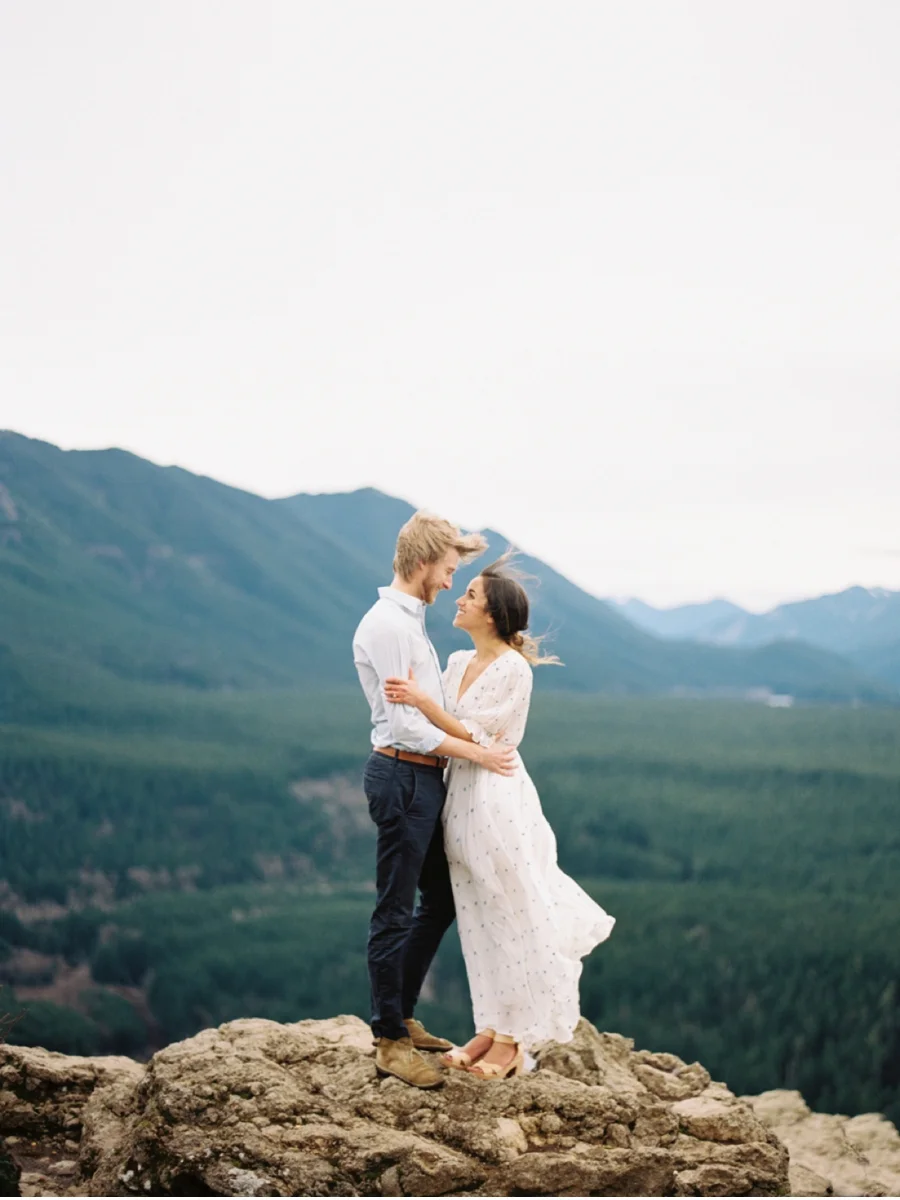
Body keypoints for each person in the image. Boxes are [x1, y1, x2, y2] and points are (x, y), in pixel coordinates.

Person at [384, 555, 615, 1080]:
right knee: (476, 914)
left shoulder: (514, 669)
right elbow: (446, 728)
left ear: (492, 616)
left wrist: (421, 699)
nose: (459, 600)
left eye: (471, 596)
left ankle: (513, 1043)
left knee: (511, 912)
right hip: (458, 794)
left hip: (496, 797)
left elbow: (477, 737)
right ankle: (489, 1026)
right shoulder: (457, 662)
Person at [352, 512, 518, 1089]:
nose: (450, 582)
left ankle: (400, 1016)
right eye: (448, 570)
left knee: (441, 898)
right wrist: (477, 753)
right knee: (394, 908)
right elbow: (406, 726)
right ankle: (389, 1039)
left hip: (423, 780)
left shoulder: (409, 621)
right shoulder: (390, 626)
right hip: (402, 774)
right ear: (423, 563)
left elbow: (424, 713)